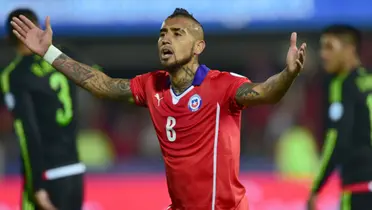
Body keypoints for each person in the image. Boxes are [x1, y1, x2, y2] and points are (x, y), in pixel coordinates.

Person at [10, 8, 306, 210]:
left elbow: (267, 92)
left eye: (178, 33)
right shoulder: (152, 85)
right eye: (163, 33)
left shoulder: (223, 86)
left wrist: (288, 74)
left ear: (199, 46)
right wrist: (49, 52)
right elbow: (101, 84)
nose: (166, 38)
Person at [2, 8, 86, 210]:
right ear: (38, 27)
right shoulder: (65, 56)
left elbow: (27, 133)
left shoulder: (16, 75)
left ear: (10, 37)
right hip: (74, 170)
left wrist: (36, 186)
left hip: (47, 175)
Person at [308, 25, 372, 210]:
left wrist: (316, 188)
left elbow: (336, 139)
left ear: (349, 49)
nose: (323, 54)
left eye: (329, 47)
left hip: (359, 189)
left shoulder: (341, 84)